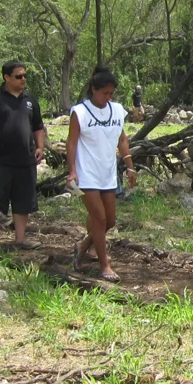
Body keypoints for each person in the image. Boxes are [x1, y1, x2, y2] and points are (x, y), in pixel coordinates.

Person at [66, 68, 137, 280]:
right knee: (99, 217)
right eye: (104, 93)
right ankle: (104, 265)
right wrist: (72, 171)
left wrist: (130, 165)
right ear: (93, 90)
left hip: (108, 172)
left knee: (110, 220)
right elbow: (72, 142)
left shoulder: (116, 110)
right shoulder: (80, 112)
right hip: (86, 173)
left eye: (111, 93)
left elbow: (122, 139)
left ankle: (83, 245)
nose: (108, 97)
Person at [0, 60, 46, 247]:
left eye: (24, 76)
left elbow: (38, 126)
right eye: (18, 76)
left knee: (23, 199)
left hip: (25, 159)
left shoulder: (30, 100)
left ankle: (20, 239)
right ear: (6, 77)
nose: (23, 79)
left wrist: (40, 147)